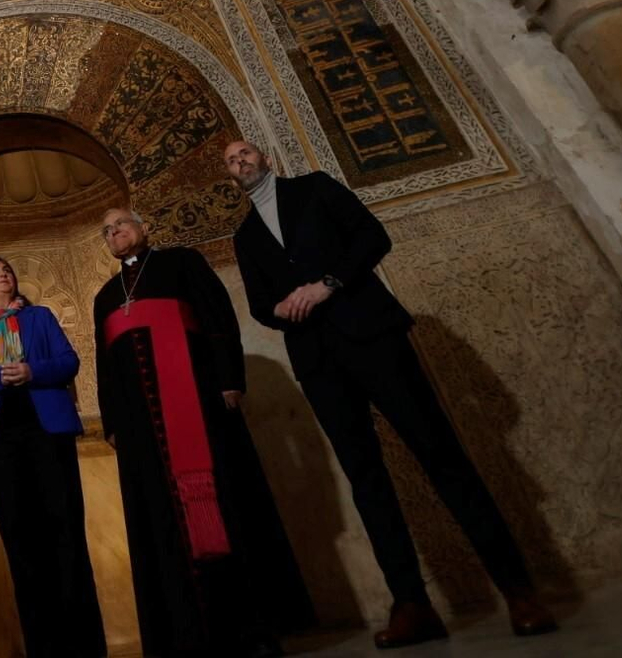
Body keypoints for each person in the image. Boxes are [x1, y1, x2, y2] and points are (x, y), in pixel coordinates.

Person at [225, 138, 558, 648]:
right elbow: (259, 306)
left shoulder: (314, 189)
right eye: (230, 161)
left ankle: (518, 590)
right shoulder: (246, 236)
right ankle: (411, 605)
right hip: (319, 363)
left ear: (264, 156)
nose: (239, 162)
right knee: (366, 480)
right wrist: (287, 304)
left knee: (439, 453)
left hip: (373, 339)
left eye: (244, 153)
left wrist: (327, 284)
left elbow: (371, 236)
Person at [93, 209, 312, 658]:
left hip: (199, 404)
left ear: (144, 227)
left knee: (229, 503)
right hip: (141, 429)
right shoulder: (104, 296)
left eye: (122, 224)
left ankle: (252, 631)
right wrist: (112, 421)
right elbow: (105, 365)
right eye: (107, 231)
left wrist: (229, 378)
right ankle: (186, 635)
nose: (115, 232)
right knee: (161, 520)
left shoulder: (182, 262)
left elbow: (217, 319)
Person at [0, 256, 107, 658]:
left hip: (47, 432)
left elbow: (68, 361)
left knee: (65, 534)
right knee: (20, 539)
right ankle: (44, 646)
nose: (3, 274)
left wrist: (32, 372)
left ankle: (85, 646)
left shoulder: (40, 317)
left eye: (6, 269)